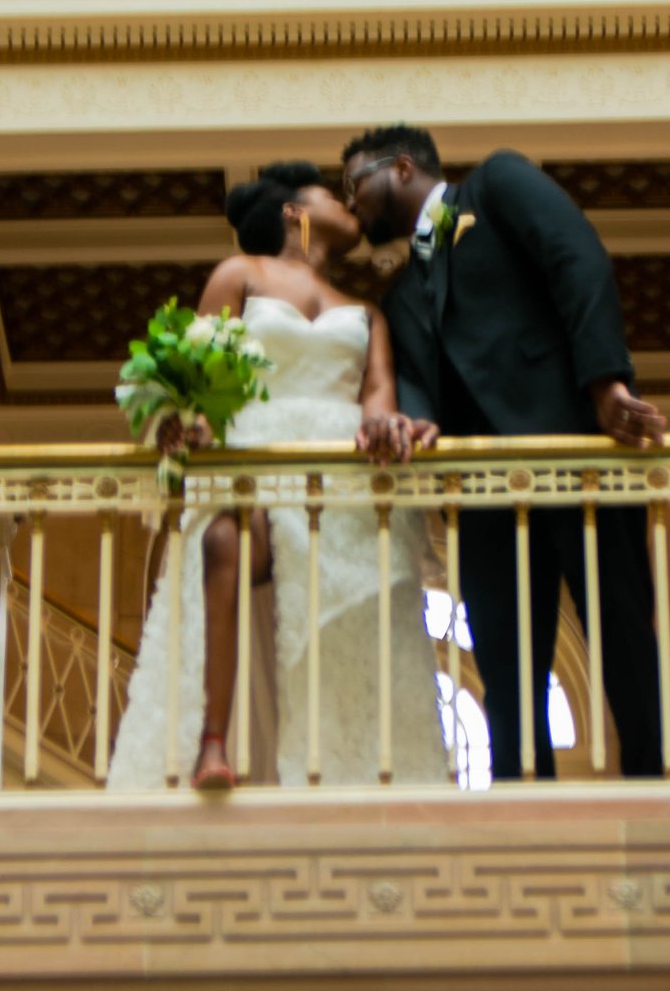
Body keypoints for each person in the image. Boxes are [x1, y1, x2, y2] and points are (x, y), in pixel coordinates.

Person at [105, 162, 455, 796]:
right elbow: (196, 368)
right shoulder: (241, 275)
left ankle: (342, 762)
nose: (348, 206)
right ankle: (212, 740)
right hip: (256, 462)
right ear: (295, 211)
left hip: (338, 483)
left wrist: (384, 425)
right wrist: (180, 421)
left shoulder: (367, 312)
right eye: (330, 195)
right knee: (221, 543)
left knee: (342, 623)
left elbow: (377, 394)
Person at [339, 126, 670, 781]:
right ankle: (527, 817)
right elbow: (415, 380)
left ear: (403, 167)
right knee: (505, 670)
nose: (350, 205)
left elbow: (576, 257)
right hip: (487, 503)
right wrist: (418, 422)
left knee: (626, 641)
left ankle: (664, 805)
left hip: (577, 457)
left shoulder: (496, 186)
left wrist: (607, 383)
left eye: (355, 185)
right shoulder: (402, 294)